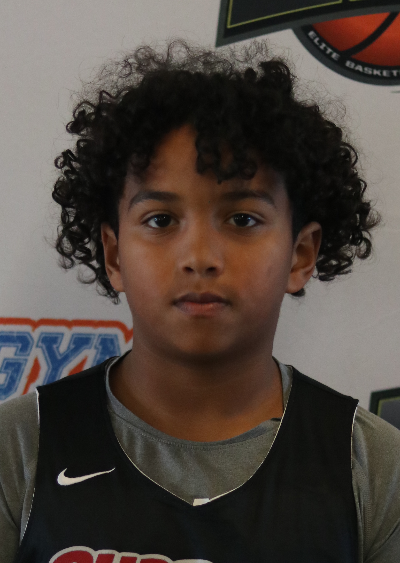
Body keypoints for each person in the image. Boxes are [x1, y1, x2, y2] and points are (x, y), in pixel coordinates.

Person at [1, 40, 399, 563]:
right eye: (161, 220)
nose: (200, 257)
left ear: (300, 254)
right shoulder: (17, 449)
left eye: (242, 219)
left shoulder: (373, 468)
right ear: (114, 255)